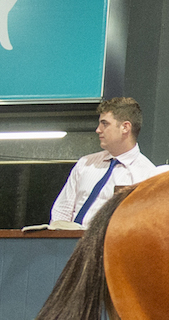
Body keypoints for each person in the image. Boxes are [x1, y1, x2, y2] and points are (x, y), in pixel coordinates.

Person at [50, 97, 156, 227]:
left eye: (105, 124)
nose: (98, 130)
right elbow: (62, 210)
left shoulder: (147, 175)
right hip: (69, 243)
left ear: (125, 127)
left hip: (109, 245)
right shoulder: (85, 163)